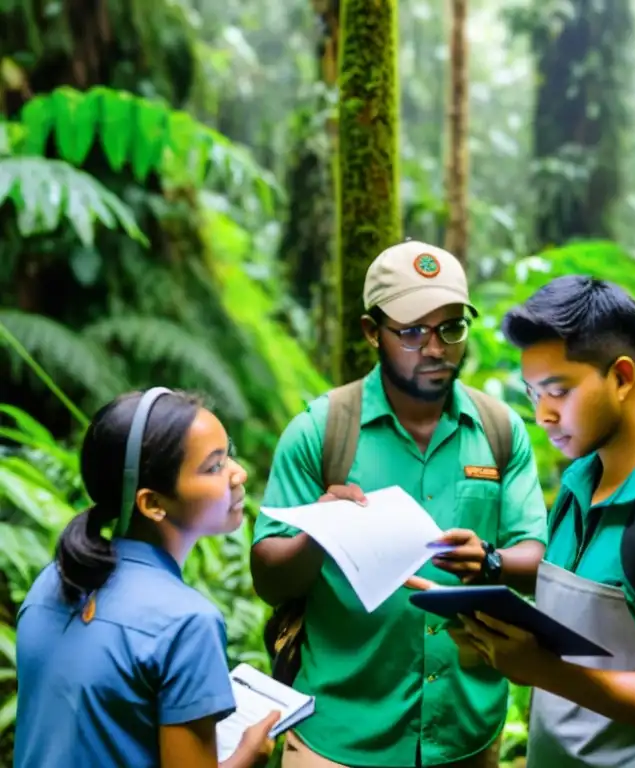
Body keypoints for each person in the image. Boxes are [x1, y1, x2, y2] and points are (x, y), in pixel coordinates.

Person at [249, 240, 549, 768]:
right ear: (372, 332)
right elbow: (270, 579)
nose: (434, 347)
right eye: (412, 331)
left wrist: (490, 560)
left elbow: (536, 561)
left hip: (465, 731)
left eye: (450, 327)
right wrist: (320, 530)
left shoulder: (500, 431)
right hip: (339, 733)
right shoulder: (321, 432)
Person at [448, 275, 635, 768]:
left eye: (558, 392)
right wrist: (490, 595)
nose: (542, 415)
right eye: (531, 393)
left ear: (623, 378)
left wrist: (543, 671)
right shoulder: (578, 484)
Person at [13, 388, 280, 768]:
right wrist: (247, 755)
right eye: (214, 466)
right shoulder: (187, 623)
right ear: (153, 503)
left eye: (229, 454)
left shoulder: (51, 583)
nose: (240, 473)